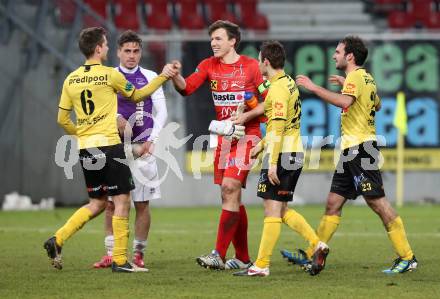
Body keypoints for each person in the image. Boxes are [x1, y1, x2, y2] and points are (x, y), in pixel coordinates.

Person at [43, 27, 176, 273]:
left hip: (86, 148)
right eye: (104, 44)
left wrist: (80, 133)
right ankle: (120, 261)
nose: (105, 48)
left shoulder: (70, 79)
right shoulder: (108, 75)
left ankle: (58, 238)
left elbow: (62, 119)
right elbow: (137, 96)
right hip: (109, 145)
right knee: (123, 201)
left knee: (97, 202)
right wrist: (162, 78)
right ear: (98, 49)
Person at [284, 35, 417, 274]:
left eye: (338, 51)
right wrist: (348, 83)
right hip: (351, 151)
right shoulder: (365, 78)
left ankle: (407, 257)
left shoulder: (356, 77)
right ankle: (314, 252)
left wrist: (314, 87)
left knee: (378, 203)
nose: (334, 55)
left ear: (350, 56)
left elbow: (345, 102)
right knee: (333, 203)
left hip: (361, 149)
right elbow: (377, 105)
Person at [169, 20, 268, 270]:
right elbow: (187, 88)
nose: (213, 43)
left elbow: (270, 101)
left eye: (219, 38)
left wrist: (245, 116)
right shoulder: (208, 65)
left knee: (230, 185)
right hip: (224, 139)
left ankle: (218, 255)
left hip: (248, 135)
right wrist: (175, 76)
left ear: (233, 41)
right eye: (212, 39)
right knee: (230, 195)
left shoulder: (251, 66)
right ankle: (244, 258)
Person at [233, 41, 329, 277]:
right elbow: (285, 124)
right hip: (294, 151)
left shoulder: (276, 90)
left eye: (258, 60)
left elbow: (276, 128)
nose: (257, 64)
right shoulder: (288, 84)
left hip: (283, 155)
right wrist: (262, 146)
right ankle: (317, 244)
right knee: (282, 209)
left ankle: (261, 265)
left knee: (271, 210)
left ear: (266, 62)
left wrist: (272, 161)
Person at [92, 30, 167, 269]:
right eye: (127, 51)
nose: (131, 55)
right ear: (118, 52)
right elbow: (98, 109)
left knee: (142, 203)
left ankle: (138, 253)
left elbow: (162, 111)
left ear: (141, 52)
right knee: (111, 202)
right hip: (115, 148)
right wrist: (114, 116)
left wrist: (152, 139)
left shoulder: (150, 76)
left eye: (135, 51)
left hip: (143, 148)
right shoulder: (108, 76)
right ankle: (112, 252)